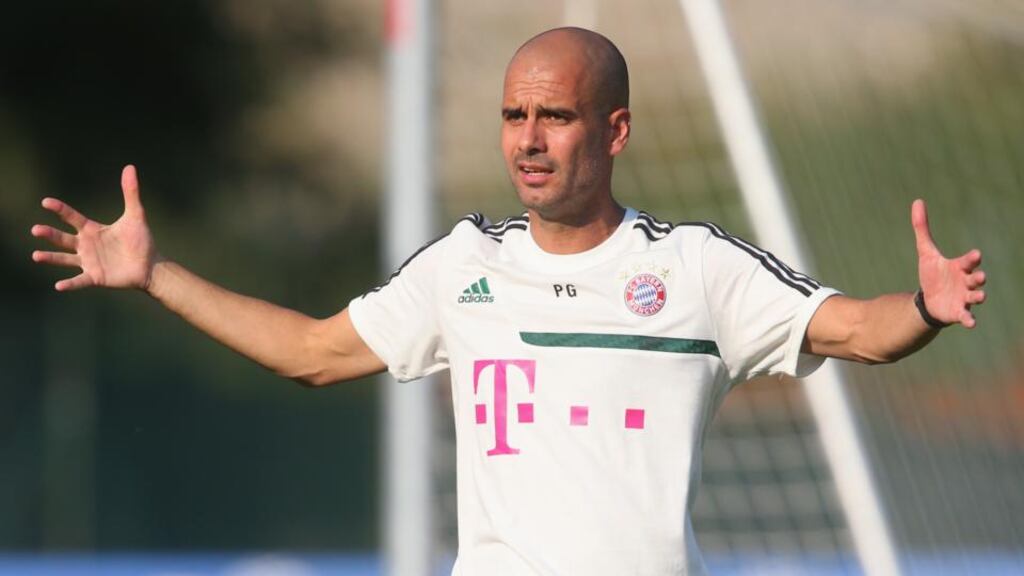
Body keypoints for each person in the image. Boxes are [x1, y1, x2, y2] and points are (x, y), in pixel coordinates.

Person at [31, 27, 985, 576]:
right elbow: (313, 352)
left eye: (555, 116)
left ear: (613, 131)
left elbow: (858, 331)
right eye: (513, 115)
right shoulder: (460, 266)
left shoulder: (697, 267)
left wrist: (927, 307)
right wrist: (157, 275)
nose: (528, 139)